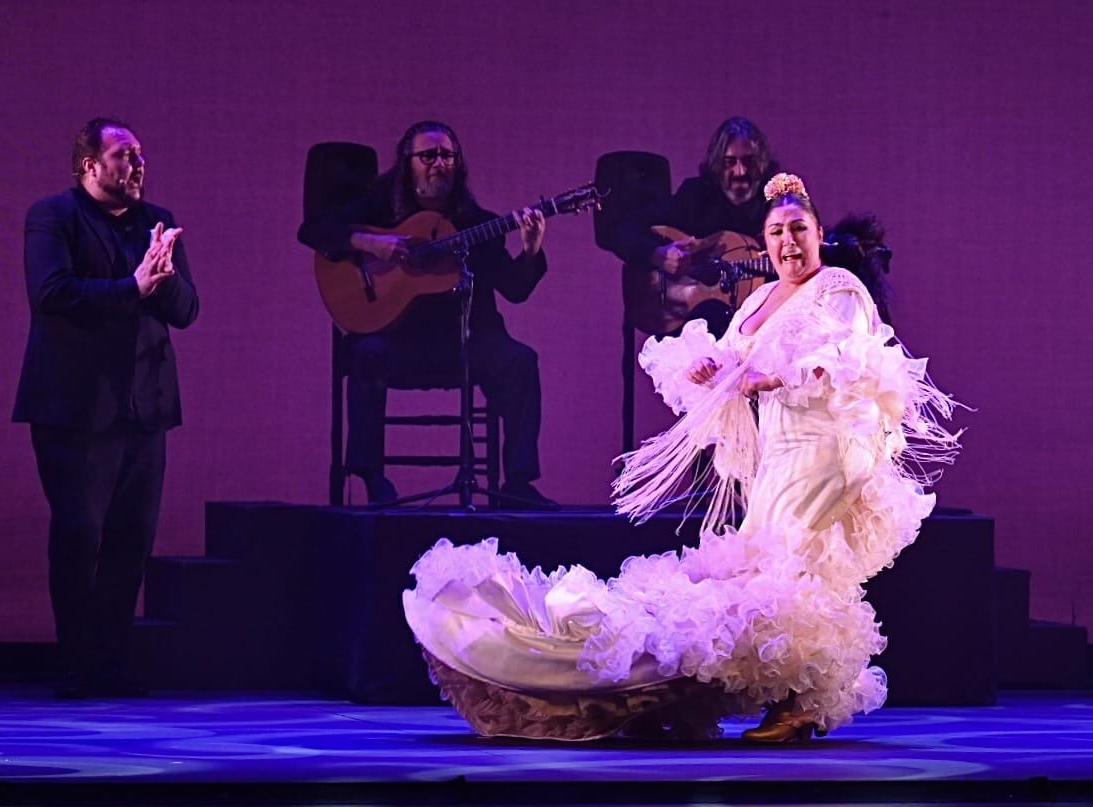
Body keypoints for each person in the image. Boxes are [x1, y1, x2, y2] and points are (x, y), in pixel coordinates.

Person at [401, 173, 957, 741]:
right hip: (782, 451)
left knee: (792, 564)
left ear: (819, 234)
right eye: (776, 232)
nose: (788, 242)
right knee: (771, 568)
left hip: (826, 447)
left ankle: (802, 704)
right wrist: (709, 368)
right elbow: (733, 357)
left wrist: (772, 377)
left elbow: (846, 358)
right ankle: (768, 695)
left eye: (798, 229)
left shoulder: (838, 287)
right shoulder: (762, 298)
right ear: (764, 241)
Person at [14, 117, 199, 699]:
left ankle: (112, 663)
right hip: (75, 408)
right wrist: (133, 286)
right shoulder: (54, 216)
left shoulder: (156, 222)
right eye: (123, 154)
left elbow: (186, 311)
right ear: (89, 165)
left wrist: (163, 278)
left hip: (145, 408)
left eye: (140, 153)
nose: (137, 163)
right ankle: (78, 663)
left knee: (131, 540)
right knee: (80, 535)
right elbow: (51, 294)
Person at [298, 121, 554, 507]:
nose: (439, 164)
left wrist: (531, 250)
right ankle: (373, 478)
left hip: (466, 343)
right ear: (408, 163)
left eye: (447, 156)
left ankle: (517, 482)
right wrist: (370, 242)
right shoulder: (381, 208)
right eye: (428, 155)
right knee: (366, 354)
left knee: (519, 361)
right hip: (400, 341)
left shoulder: (477, 223)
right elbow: (313, 229)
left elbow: (515, 290)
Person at [608, 117, 778, 336]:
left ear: (762, 164)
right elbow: (623, 230)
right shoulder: (695, 197)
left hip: (761, 330)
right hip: (696, 333)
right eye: (729, 162)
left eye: (749, 161)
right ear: (717, 165)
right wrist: (657, 255)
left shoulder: (777, 203)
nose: (740, 172)